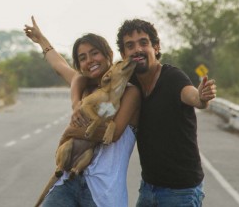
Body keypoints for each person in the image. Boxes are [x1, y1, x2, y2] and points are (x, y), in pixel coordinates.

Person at [24, 16, 141, 207]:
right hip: (68, 180)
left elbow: (111, 134)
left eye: (95, 53)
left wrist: (71, 131)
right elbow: (60, 66)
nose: (90, 61)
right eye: (82, 58)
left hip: (102, 191)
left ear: (109, 55)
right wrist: (41, 40)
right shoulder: (86, 90)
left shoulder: (129, 92)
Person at [116, 18, 216, 207]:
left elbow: (193, 97)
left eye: (143, 43)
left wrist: (202, 97)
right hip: (148, 188)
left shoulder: (172, 77)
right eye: (130, 46)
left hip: (181, 192)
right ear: (123, 54)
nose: (137, 49)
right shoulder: (130, 84)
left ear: (156, 46)